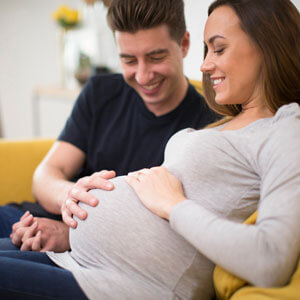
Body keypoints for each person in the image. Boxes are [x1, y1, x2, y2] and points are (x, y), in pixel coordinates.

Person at [0, 0, 299, 299]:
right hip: (79, 256)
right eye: (207, 51)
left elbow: (270, 259)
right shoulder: (231, 121)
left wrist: (173, 205)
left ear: (266, 45)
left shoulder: (286, 128)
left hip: (118, 283)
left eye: (218, 49)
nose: (205, 65)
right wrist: (74, 202)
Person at [0, 0, 218, 251]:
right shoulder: (100, 92)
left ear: (184, 44)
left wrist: (74, 235)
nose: (143, 76)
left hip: (86, 250)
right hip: (34, 219)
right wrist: (70, 198)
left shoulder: (208, 126)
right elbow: (45, 176)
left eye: (155, 57)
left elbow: (167, 233)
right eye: (129, 60)